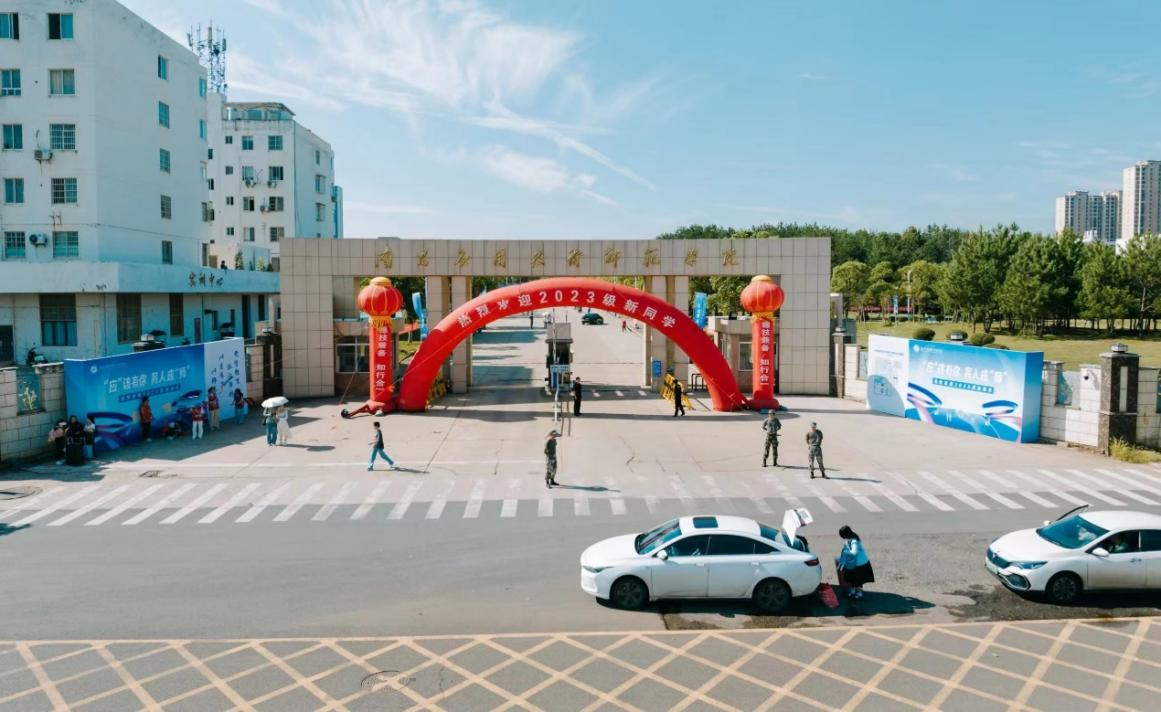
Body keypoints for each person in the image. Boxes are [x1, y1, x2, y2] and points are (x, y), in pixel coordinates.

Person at [835, 525, 874, 599]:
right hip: (855, 562)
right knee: (851, 578)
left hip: (860, 563)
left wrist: (846, 552)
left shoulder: (854, 541)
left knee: (857, 579)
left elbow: (854, 552)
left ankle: (859, 593)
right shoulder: (850, 539)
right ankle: (853, 591)